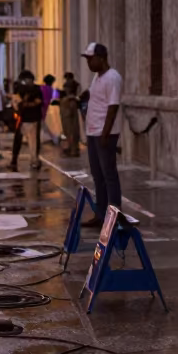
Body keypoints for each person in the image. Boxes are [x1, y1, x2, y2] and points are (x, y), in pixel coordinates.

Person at [79, 43, 122, 227]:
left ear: (101, 58)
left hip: (105, 133)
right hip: (93, 132)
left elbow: (113, 107)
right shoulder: (97, 78)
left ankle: (114, 214)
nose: (89, 63)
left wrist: (105, 134)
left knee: (109, 174)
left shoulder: (113, 77)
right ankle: (101, 212)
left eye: (91, 59)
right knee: (97, 175)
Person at [10, 70, 43, 171]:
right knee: (24, 141)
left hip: (31, 118)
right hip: (24, 118)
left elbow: (38, 101)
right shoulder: (24, 89)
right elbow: (16, 102)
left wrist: (25, 104)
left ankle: (32, 160)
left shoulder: (35, 89)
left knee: (31, 141)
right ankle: (19, 160)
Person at [60, 72, 82, 157]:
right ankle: (75, 148)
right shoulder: (77, 84)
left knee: (69, 129)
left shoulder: (67, 84)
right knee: (75, 128)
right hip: (74, 105)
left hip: (68, 106)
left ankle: (72, 150)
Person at [41, 75, 60, 147]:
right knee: (43, 126)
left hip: (41, 109)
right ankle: (54, 138)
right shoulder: (52, 90)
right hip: (45, 109)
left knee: (43, 127)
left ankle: (54, 139)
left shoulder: (42, 88)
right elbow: (56, 97)